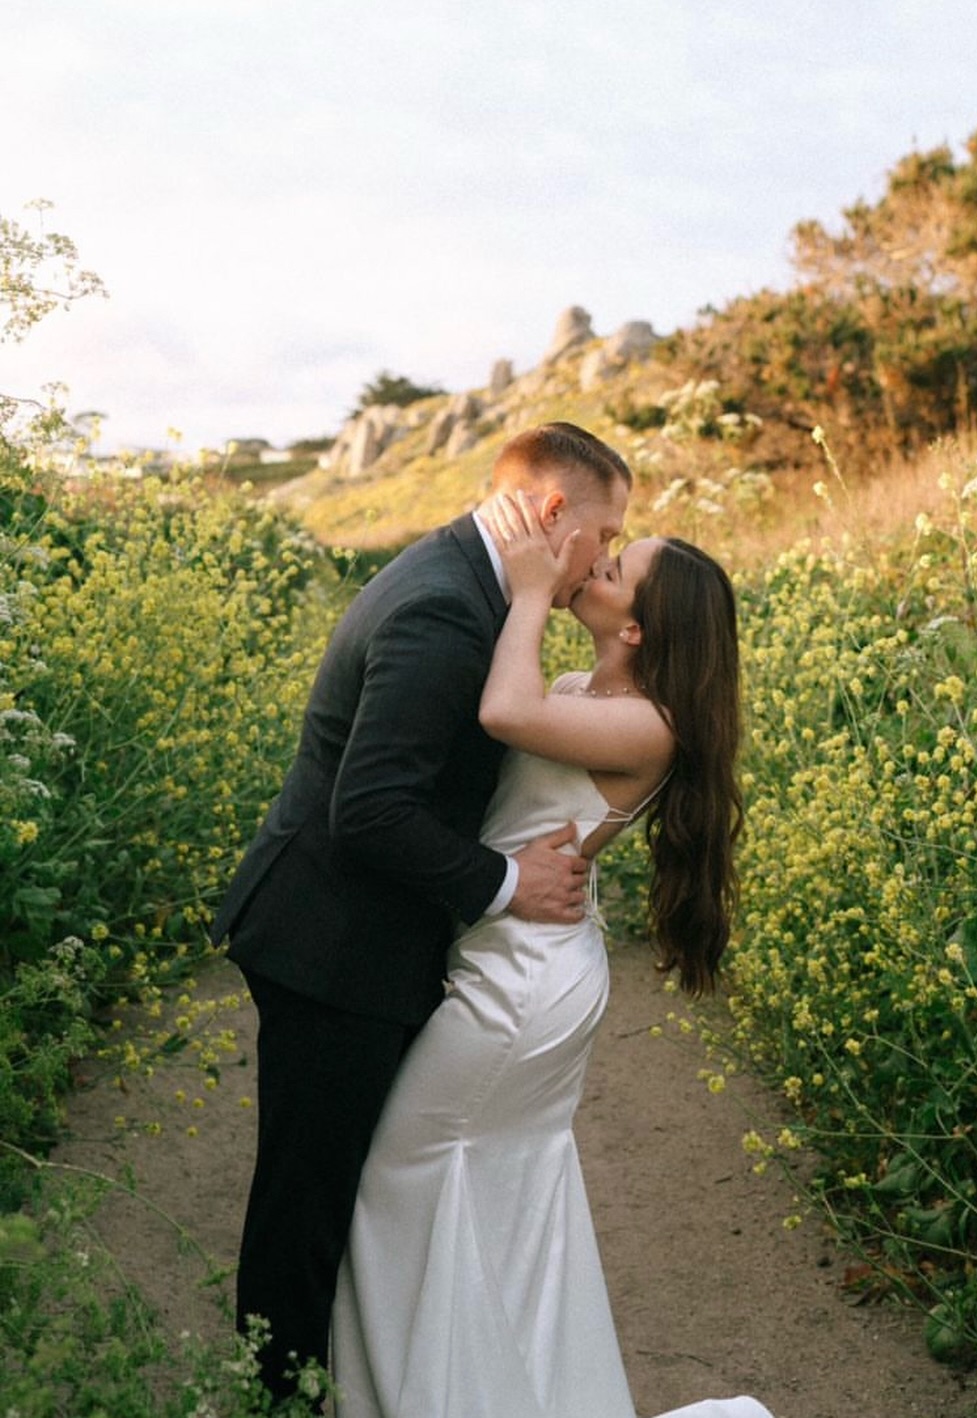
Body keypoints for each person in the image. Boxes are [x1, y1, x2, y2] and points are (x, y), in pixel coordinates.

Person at [209, 424, 632, 1404]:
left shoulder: (470, 580)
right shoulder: (446, 606)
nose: (606, 556)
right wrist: (505, 884)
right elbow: (370, 810)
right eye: (607, 528)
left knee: (332, 1194)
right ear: (554, 513)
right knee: (305, 1211)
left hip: (358, 937)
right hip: (331, 944)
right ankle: (276, 1398)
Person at [329, 495, 774, 1418]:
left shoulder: (648, 724)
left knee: (400, 1175)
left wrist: (528, 590)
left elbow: (501, 708)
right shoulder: (589, 695)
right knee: (492, 1191)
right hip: (508, 950)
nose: (595, 565)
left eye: (616, 569)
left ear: (642, 628)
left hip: (525, 983)